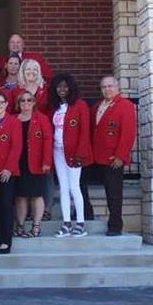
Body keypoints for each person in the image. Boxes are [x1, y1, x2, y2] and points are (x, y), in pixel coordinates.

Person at [81, 76, 136, 237]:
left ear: (117, 87)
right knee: (80, 182)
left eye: (110, 86)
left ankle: (115, 225)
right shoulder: (98, 105)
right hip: (94, 156)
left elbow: (128, 133)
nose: (107, 89)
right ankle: (86, 211)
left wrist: (121, 155)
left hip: (112, 158)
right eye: (104, 87)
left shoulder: (125, 106)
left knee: (113, 193)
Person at [48, 73, 93, 238]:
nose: (62, 89)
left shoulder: (80, 105)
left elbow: (84, 132)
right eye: (59, 86)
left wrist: (80, 153)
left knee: (75, 187)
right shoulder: (55, 108)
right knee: (63, 188)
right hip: (58, 151)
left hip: (74, 153)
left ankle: (80, 223)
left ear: (71, 88)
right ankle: (66, 223)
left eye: (65, 86)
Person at [0, 91, 22, 254]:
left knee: (6, 207)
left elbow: (16, 147)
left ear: (6, 104)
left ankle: (6, 242)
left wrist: (9, 167)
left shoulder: (13, 122)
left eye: (0, 103)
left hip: (7, 172)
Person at [14, 91, 53, 237]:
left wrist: (46, 162)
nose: (26, 103)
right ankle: (20, 226)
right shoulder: (13, 119)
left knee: (36, 195)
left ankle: (36, 226)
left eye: (29, 100)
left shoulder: (41, 118)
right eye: (22, 100)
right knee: (20, 196)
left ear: (34, 102)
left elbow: (48, 140)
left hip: (36, 163)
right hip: (18, 164)